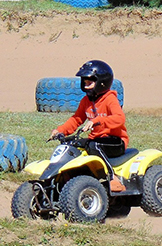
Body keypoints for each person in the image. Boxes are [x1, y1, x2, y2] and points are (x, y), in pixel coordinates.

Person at [50, 60, 128, 191]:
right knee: (71, 144)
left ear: (101, 83)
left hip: (115, 141)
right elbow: (77, 119)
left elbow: (119, 118)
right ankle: (67, 180)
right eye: (84, 83)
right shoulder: (86, 101)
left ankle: (112, 177)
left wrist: (97, 121)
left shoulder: (110, 99)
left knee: (93, 145)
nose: (86, 87)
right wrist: (60, 131)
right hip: (95, 140)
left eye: (89, 83)